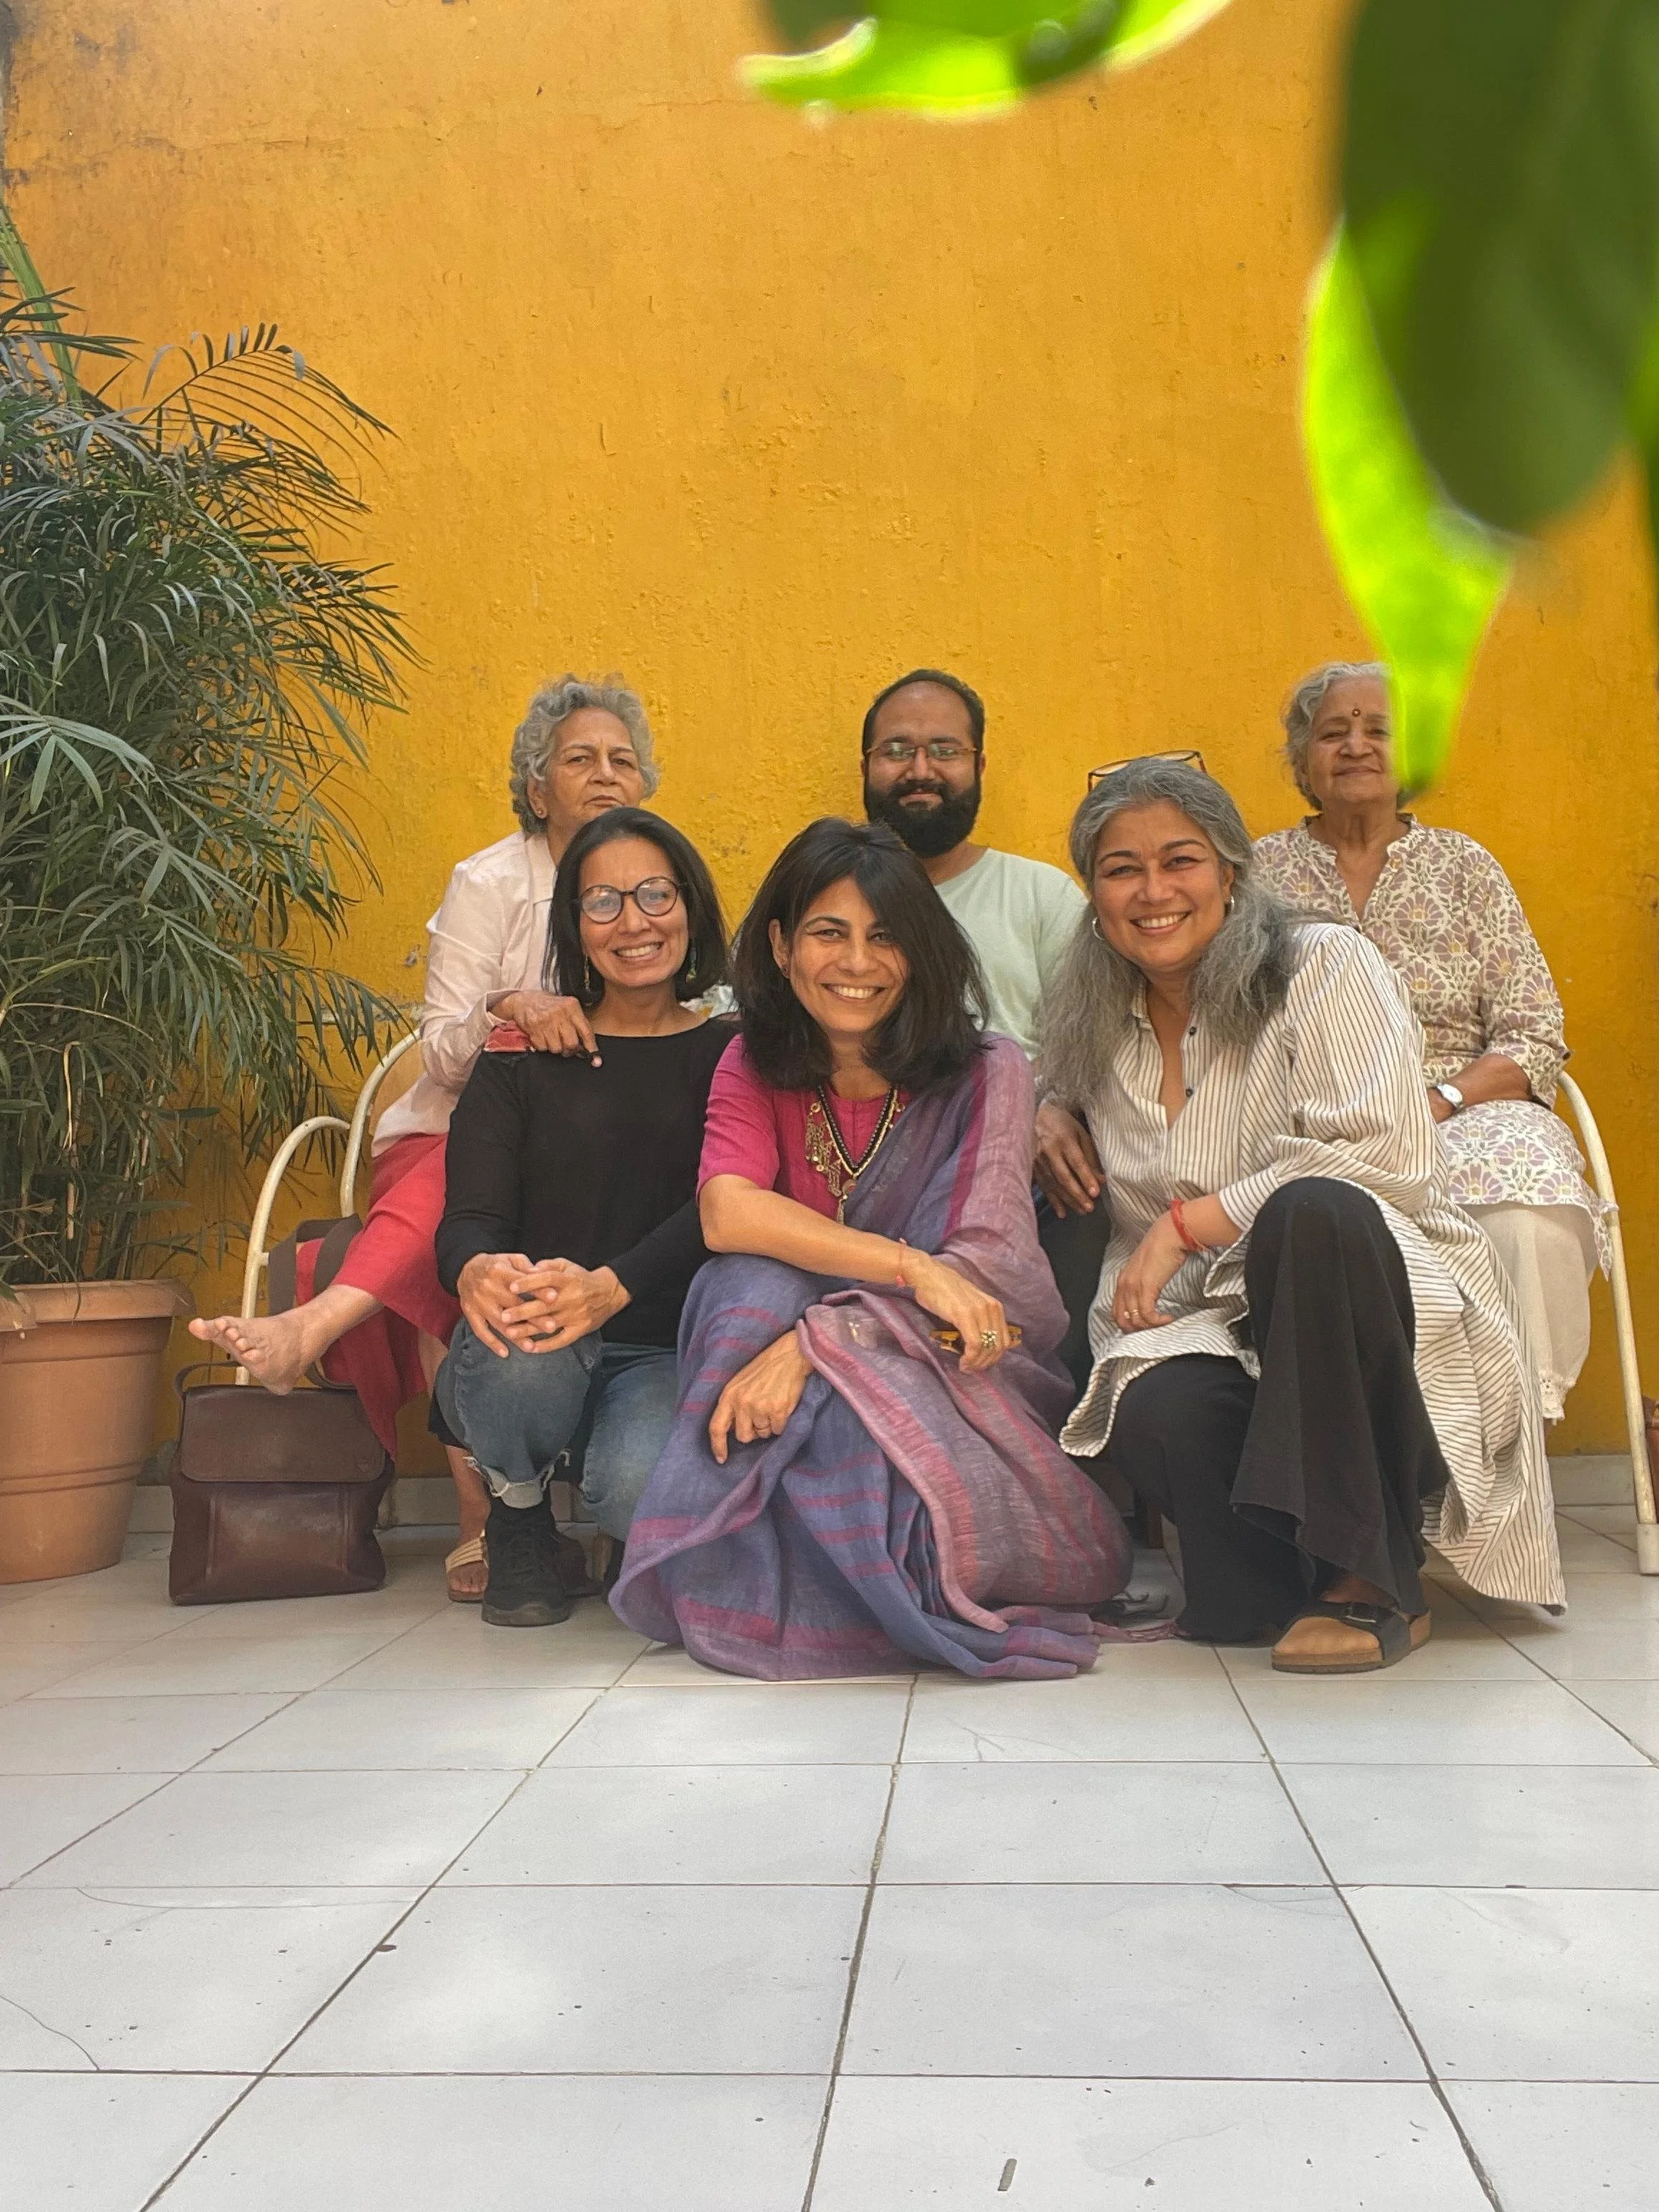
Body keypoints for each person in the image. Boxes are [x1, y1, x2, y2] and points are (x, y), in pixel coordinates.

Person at [1042, 756, 1562, 1675]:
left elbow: (1385, 1157)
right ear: (1094, 894)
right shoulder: (1091, 1008)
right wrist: (1043, 1108)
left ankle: (1369, 1578)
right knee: (1164, 1419)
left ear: (1232, 872)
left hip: (1359, 1289)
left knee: (1310, 1211)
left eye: (1181, 860)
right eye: (1121, 868)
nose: (1153, 891)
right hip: (1203, 1321)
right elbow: (1035, 1081)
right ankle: (1306, 1567)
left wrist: (1190, 1222)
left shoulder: (1322, 964)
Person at [612, 817, 1132, 1680]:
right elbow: (727, 1212)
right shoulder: (750, 1059)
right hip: (838, 1323)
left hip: (948, 1361)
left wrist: (819, 1345)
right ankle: (779, 1573)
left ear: (922, 953)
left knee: (834, 1373)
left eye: (885, 937)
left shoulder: (988, 1069)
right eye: (829, 932)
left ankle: (829, 1583)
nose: (857, 963)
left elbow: (988, 1265)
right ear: (781, 946)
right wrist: (905, 1267)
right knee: (748, 1282)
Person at [189, 676, 655, 1599]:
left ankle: (613, 1509)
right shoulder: (490, 882)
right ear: (536, 789)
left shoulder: (655, 887)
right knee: (466, 1209)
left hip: (589, 1151)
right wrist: (506, 1007)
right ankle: (487, 1526)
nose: (605, 775)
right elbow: (442, 1055)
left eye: (622, 760)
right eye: (580, 759)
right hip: (451, 1135)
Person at [1254, 662, 1607, 1421]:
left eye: (1378, 730)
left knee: (1528, 1205)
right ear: (1303, 759)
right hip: (1313, 1114)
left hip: (1460, 1105)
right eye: (1334, 732)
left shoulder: (1466, 867)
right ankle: (1367, 1445)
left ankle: (1511, 1428)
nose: (1356, 746)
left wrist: (1441, 1099)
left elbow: (1534, 1030)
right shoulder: (1259, 873)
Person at [433, 808, 735, 1628]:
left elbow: (724, 1206)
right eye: (602, 901)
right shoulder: (521, 1056)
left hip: (664, 1344)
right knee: (523, 1337)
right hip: (539, 1336)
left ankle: (615, 1522)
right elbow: (468, 1216)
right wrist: (476, 1270)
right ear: (573, 924)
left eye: (654, 894)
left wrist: (611, 1287)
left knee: (637, 1491)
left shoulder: (735, 1051)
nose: (633, 921)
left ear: (692, 907)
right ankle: (519, 1507)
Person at [859, 668, 1102, 1388]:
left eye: (944, 750)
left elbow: (1102, 1037)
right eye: (897, 750)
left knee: (1088, 1190)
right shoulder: (829, 892)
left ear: (979, 766)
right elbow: (744, 1015)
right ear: (866, 767)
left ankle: (1051, 1440)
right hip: (868, 1175)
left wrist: (1048, 1106)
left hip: (1028, 1182)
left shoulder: (1041, 895)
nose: (920, 770)